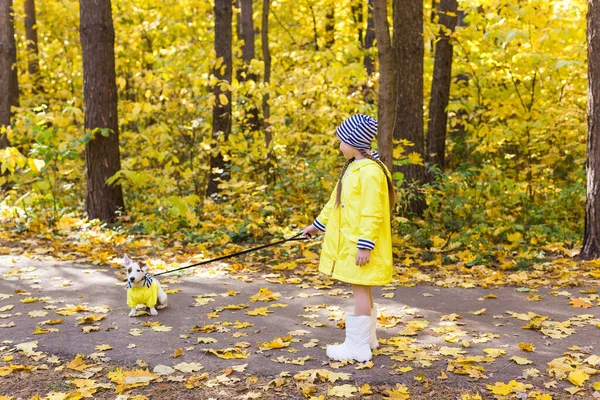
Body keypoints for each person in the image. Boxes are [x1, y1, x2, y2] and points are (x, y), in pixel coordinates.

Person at [302, 114, 395, 362]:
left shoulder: (370, 172)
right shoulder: (354, 168)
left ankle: (356, 348)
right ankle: (368, 340)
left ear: (354, 142)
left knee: (360, 290)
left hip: (361, 245)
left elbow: (372, 211)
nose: (339, 146)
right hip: (356, 243)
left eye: (342, 141)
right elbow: (336, 201)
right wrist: (316, 226)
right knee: (362, 289)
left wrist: (365, 245)